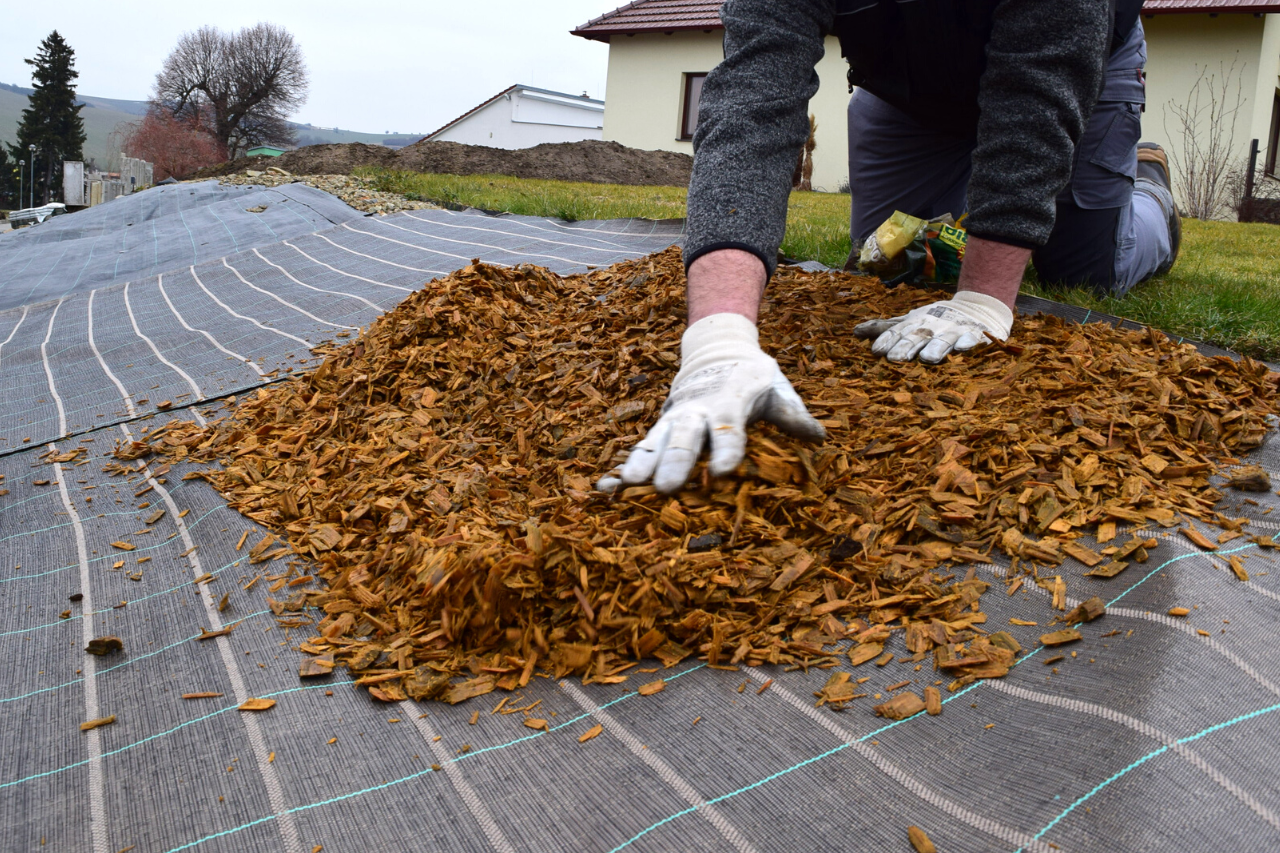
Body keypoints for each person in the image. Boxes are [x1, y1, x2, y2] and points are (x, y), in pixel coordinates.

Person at [600, 0, 1181, 496]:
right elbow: (754, 98)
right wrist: (718, 341)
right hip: (907, 91)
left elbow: (1037, 95)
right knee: (890, 259)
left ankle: (1152, 199)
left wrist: (983, 300)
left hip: (1074, 68)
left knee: (1081, 268)